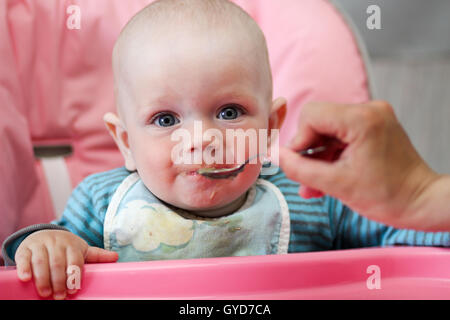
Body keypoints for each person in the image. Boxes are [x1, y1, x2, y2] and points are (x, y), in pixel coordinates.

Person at [1, 0, 449, 300]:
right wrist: (48, 245)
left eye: (230, 112)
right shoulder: (101, 203)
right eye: (166, 120)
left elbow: (413, 240)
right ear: (126, 144)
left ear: (270, 125)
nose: (203, 139)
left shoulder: (315, 199)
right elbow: (46, 247)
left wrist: (420, 200)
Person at [279, 101, 450, 232]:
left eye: (249, 111)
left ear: (270, 124)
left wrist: (418, 195)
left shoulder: (325, 199)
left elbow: (397, 239)